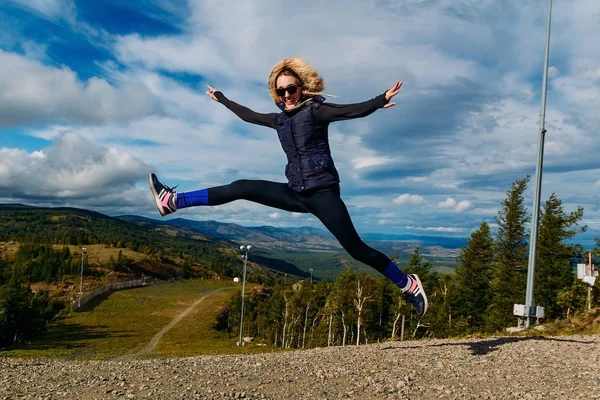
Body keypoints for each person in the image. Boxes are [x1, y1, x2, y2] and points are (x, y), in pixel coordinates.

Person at [149, 57, 428, 316]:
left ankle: (407, 284)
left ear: (301, 88)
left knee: (357, 250)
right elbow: (248, 115)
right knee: (242, 186)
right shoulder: (279, 120)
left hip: (322, 194)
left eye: (290, 89)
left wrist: (380, 100)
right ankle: (173, 201)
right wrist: (222, 99)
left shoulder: (317, 111)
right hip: (294, 192)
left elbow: (350, 111)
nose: (286, 96)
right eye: (280, 92)